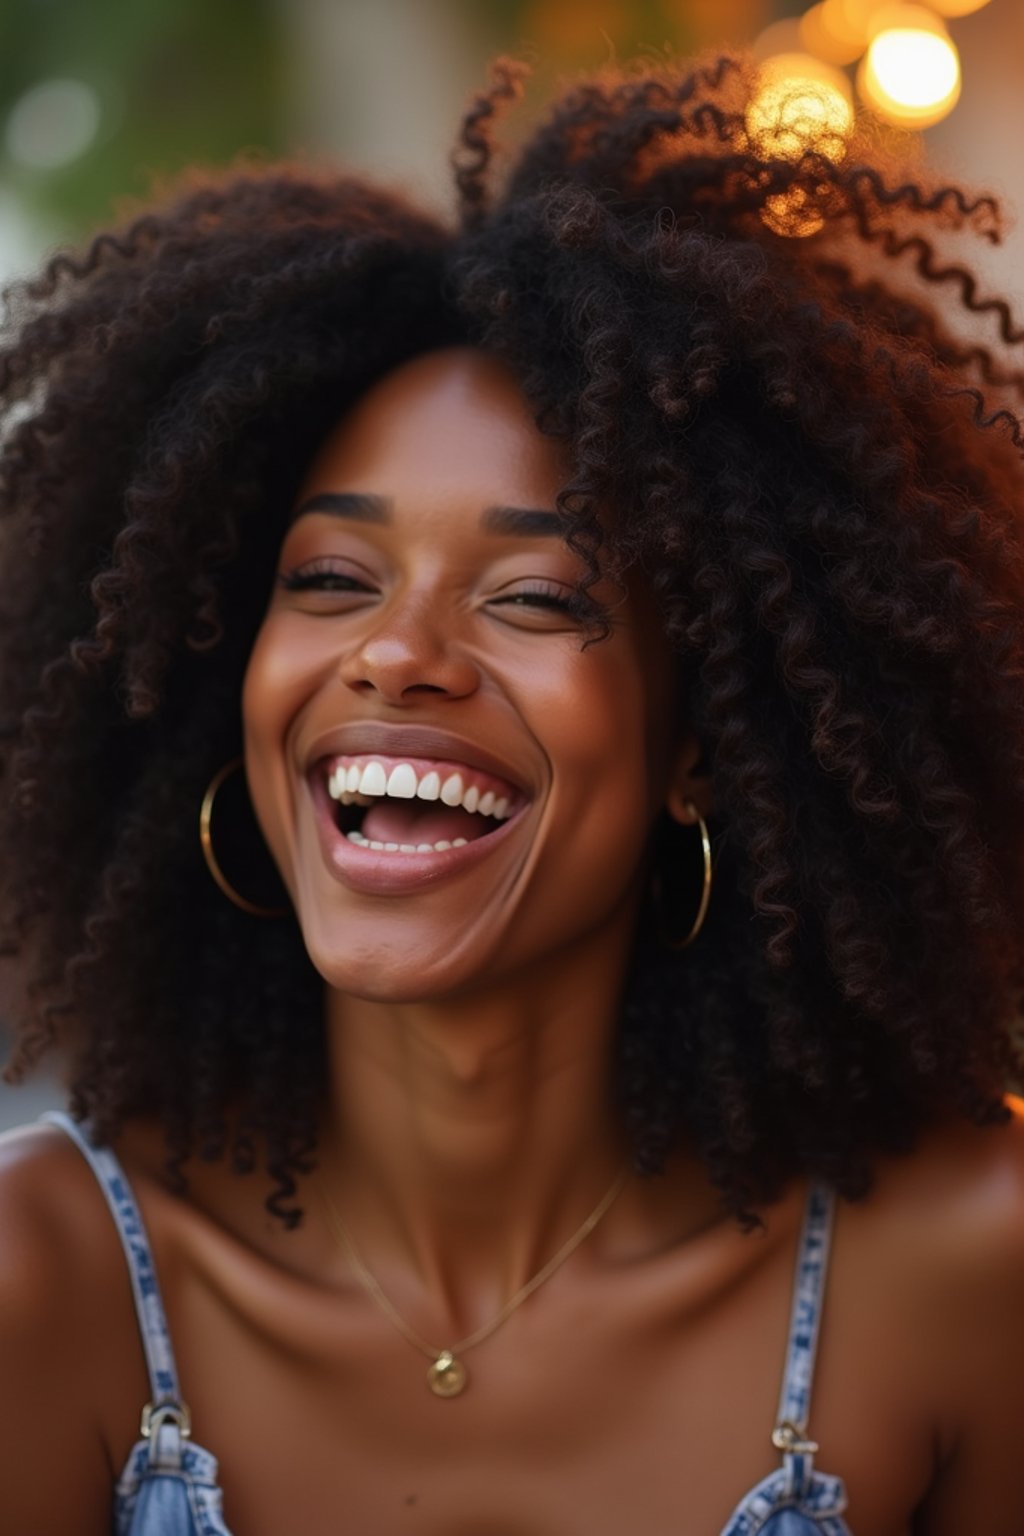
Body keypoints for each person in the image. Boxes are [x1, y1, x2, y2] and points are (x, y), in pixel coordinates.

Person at [1, 51, 1023, 1536]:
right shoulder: (49, 1283)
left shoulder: (965, 1270)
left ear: (704, 745)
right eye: (332, 581)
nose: (398, 656)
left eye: (540, 597)